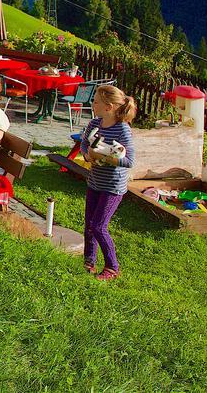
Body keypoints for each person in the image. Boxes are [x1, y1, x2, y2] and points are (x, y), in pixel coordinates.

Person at [78, 85, 136, 281]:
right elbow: (84, 142)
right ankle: (89, 260)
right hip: (95, 181)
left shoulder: (122, 130)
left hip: (112, 187)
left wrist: (109, 157)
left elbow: (129, 161)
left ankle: (112, 267)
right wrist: (87, 155)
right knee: (89, 224)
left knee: (99, 226)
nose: (92, 104)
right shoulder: (95, 123)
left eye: (95, 102)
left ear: (109, 107)